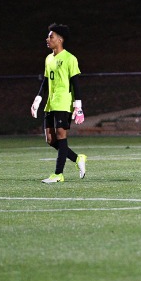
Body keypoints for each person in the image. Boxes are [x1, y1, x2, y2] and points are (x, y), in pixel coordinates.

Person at [30, 23, 87, 183]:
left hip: (63, 102)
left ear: (60, 39)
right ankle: (77, 158)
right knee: (50, 139)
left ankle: (58, 174)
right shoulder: (48, 58)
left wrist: (78, 106)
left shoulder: (70, 58)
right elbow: (46, 81)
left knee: (61, 136)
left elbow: (75, 84)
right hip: (51, 102)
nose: (47, 39)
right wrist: (38, 99)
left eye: (51, 37)